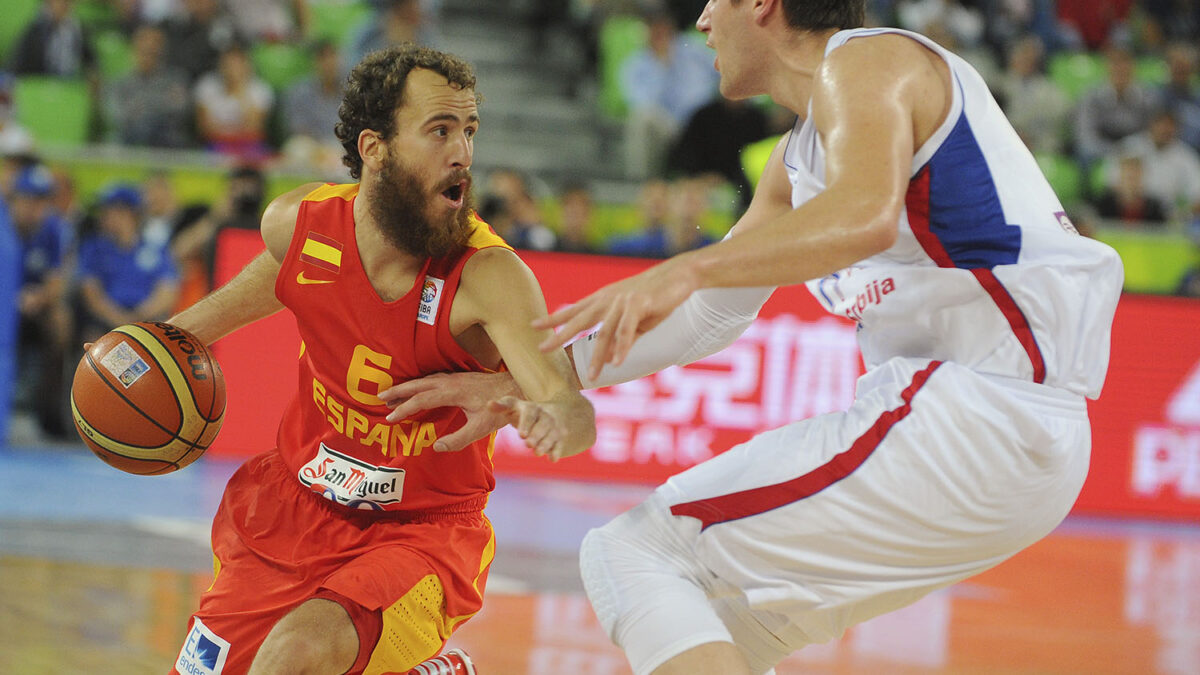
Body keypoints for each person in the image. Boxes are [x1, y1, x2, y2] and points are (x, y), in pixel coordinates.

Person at [381, 2, 1125, 674]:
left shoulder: (870, 61)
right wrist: (526, 383)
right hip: (1010, 442)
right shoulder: (791, 162)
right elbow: (710, 313)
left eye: (715, 1)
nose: (703, 20)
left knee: (634, 553)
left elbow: (864, 213)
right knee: (721, 625)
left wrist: (687, 266)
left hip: (979, 407)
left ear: (763, 5)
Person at [164, 44, 595, 675]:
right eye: (440, 131)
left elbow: (572, 412)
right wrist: (139, 359)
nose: (463, 153)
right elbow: (198, 327)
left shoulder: (489, 276)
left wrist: (533, 406)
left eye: (470, 131)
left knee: (298, 655)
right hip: (294, 511)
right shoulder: (300, 226)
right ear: (374, 148)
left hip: (420, 537)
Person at [76, 183, 180, 342]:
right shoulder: (94, 248)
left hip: (146, 323)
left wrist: (138, 318)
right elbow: (91, 293)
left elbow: (167, 292)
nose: (102, 216)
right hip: (105, 324)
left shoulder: (155, 248)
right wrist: (119, 320)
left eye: (107, 210)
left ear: (128, 213)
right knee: (92, 336)